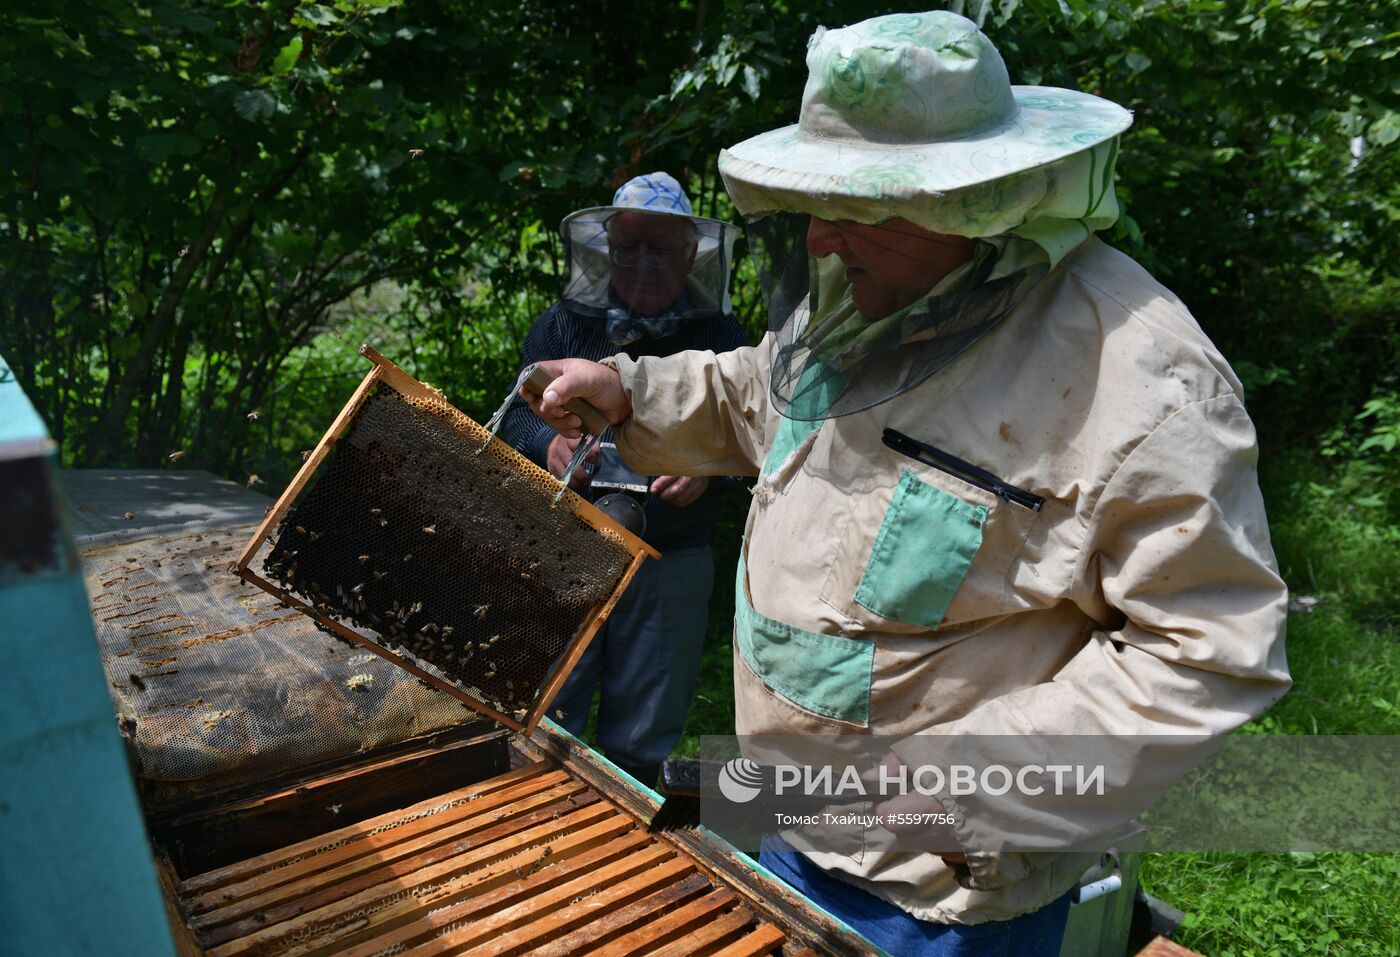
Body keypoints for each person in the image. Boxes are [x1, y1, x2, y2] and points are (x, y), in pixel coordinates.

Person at [521, 12, 1289, 957]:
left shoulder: (1143, 376)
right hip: (789, 816)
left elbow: (1208, 650)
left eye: (862, 203)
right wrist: (632, 392)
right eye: (820, 198)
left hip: (944, 890)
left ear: (975, 199)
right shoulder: (868, 288)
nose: (823, 236)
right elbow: (764, 394)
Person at [499, 172, 749, 787]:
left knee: (643, 730)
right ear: (606, 250)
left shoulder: (722, 337)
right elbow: (511, 420)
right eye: (628, 248)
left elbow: (757, 444)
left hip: (672, 553)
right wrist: (549, 442)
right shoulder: (560, 327)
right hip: (564, 543)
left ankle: (630, 834)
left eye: (660, 250)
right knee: (545, 711)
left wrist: (707, 476)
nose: (642, 264)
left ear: (692, 254)